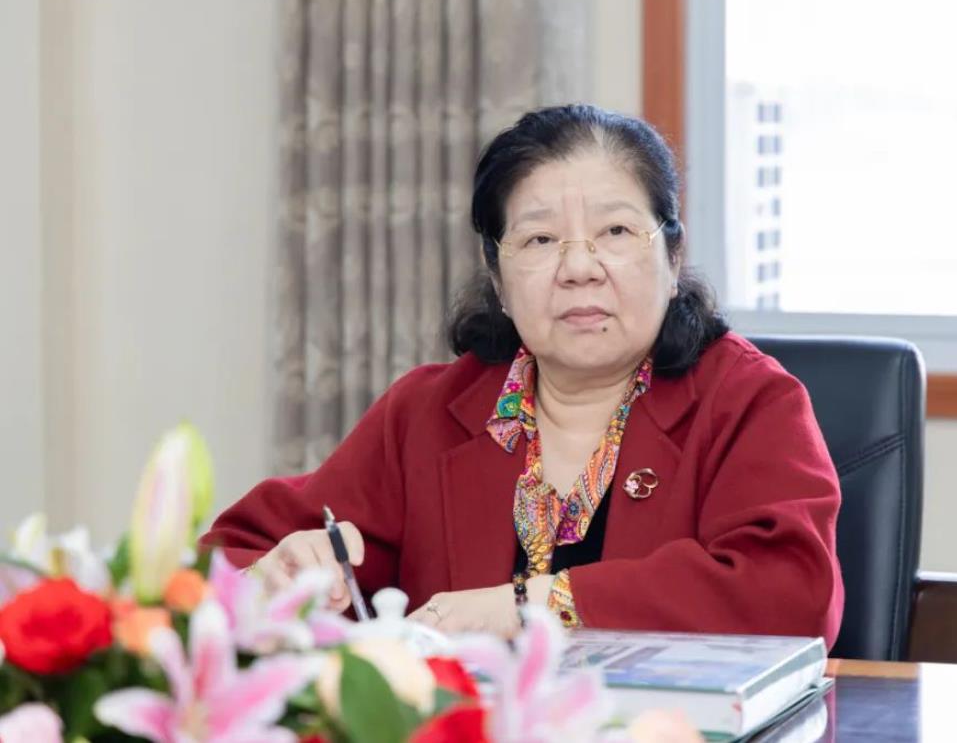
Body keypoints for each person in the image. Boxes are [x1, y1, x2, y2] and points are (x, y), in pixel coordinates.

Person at [202, 104, 843, 644]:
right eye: (539, 240)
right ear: (498, 278)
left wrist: (529, 606)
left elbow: (792, 594)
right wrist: (276, 576)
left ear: (673, 258)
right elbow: (222, 558)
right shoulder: (427, 412)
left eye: (616, 231)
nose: (580, 268)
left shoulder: (749, 401)